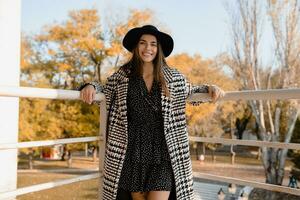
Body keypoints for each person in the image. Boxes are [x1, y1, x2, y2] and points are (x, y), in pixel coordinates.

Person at [80, 25, 225, 200]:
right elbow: (103, 89)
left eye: (153, 44)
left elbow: (191, 92)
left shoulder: (172, 78)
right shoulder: (122, 77)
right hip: (132, 153)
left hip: (163, 154)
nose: (148, 48)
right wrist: (90, 86)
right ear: (136, 47)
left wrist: (210, 88)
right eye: (143, 43)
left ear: (159, 49)